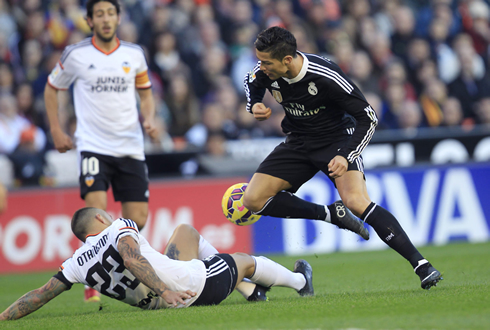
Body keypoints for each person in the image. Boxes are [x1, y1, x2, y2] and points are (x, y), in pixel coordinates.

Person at [242, 26, 442, 290]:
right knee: (252, 200)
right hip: (298, 142)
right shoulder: (266, 70)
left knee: (357, 201)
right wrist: (254, 104)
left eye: (266, 62)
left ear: (287, 60)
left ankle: (422, 265)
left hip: (336, 141)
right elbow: (251, 81)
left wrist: (347, 155)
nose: (261, 66)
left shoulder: (325, 76)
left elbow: (368, 117)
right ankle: (330, 214)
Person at [0, 207, 314, 320]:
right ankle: (301, 282)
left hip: (159, 305)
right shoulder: (117, 227)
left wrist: (4, 316)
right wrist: (165, 290)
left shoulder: (75, 264)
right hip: (189, 288)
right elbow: (130, 257)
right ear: (100, 219)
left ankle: (251, 292)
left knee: (185, 232)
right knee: (245, 261)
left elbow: (40, 294)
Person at [43, 0, 158, 301]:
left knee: (138, 218)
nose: (106, 19)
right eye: (99, 14)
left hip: (131, 147)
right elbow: (52, 87)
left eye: (110, 13)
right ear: (89, 20)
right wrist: (56, 129)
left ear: (118, 18)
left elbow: (146, 95)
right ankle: (91, 281)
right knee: (98, 217)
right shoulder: (77, 54)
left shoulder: (134, 54)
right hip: (93, 146)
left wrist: (149, 118)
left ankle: (124, 269)